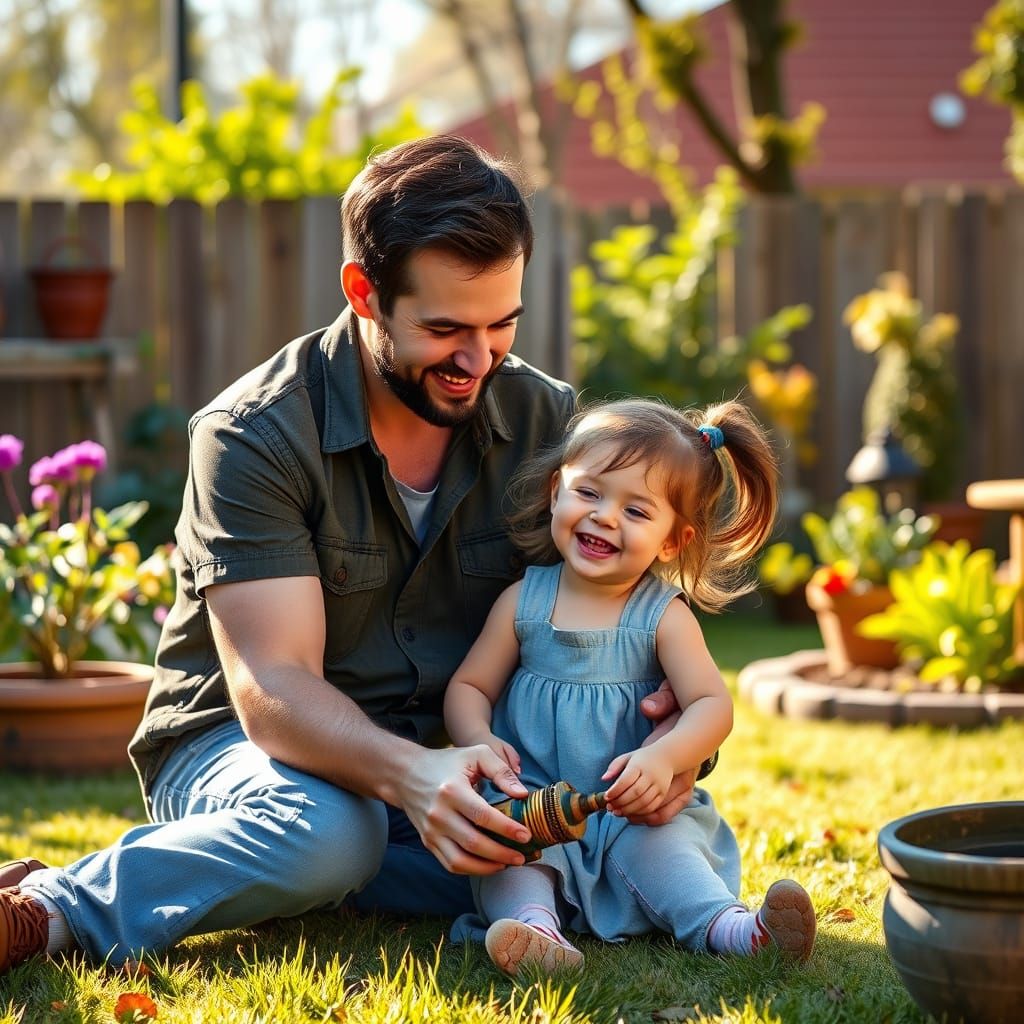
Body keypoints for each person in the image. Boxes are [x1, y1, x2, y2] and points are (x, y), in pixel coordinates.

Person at [0, 136, 709, 974]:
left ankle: (319, 875)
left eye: (501, 325)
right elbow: (274, 692)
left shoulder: (544, 422)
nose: (478, 360)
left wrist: (667, 731)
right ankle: (50, 911)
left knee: (584, 850)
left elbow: (625, 613)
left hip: (459, 757)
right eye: (444, 329)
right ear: (365, 293)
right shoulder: (255, 435)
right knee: (336, 832)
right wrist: (411, 776)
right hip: (254, 750)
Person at [444, 397, 817, 976]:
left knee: (667, 857)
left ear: (672, 541)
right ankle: (536, 933)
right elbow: (470, 684)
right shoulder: (523, 601)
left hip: (636, 813)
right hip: (538, 803)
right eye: (589, 493)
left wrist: (666, 757)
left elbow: (712, 706)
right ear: (555, 492)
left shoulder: (662, 616)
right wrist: (476, 738)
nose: (605, 517)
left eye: (637, 511)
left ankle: (739, 930)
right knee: (511, 858)